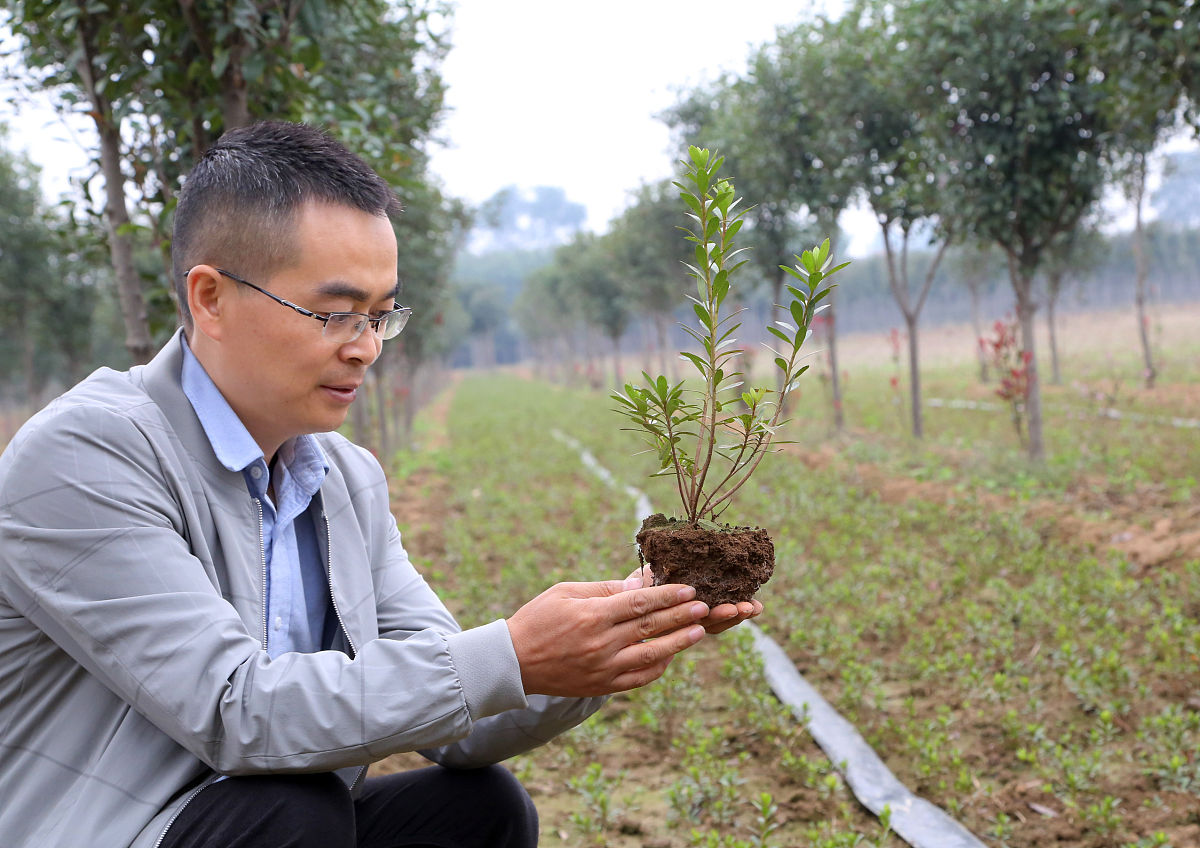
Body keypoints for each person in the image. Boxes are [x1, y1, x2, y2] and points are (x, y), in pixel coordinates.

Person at [0, 121, 762, 848]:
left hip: (260, 820)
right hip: (115, 828)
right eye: (334, 314)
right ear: (211, 298)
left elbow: (460, 722)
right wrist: (512, 653)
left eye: (381, 316)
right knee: (292, 813)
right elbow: (237, 712)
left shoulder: (341, 480)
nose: (366, 349)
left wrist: (615, 640)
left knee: (477, 809)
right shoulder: (85, 456)